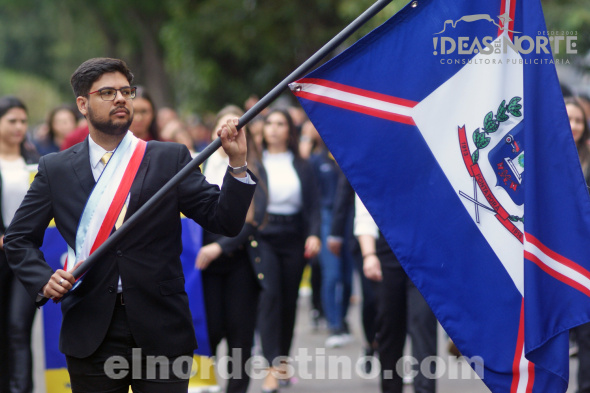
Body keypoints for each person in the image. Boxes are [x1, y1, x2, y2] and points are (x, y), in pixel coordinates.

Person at [4, 57, 256, 393]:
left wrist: (237, 164)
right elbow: (19, 238)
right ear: (83, 103)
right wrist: (43, 279)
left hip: (162, 324)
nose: (121, 99)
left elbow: (223, 220)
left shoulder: (170, 158)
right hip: (90, 327)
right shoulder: (55, 169)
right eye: (107, 92)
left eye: (126, 91)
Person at [196, 104, 267, 393]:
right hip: (203, 265)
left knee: (240, 333)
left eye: (236, 125)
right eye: (224, 124)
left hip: (237, 259)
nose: (229, 131)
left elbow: (252, 219)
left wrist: (219, 248)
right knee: (208, 329)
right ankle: (204, 383)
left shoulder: (254, 166)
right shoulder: (199, 164)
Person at [256, 108, 321, 392]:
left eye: (280, 124)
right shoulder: (255, 161)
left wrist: (314, 235)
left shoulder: (303, 164)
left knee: (288, 301)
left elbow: (314, 206)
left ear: (289, 130)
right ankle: (271, 366)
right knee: (269, 296)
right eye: (269, 123)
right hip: (264, 235)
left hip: (294, 235)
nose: (273, 129)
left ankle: (282, 362)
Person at [355, 196, 437, 393]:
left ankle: (425, 389)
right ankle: (391, 388)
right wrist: (369, 255)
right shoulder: (375, 166)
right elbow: (364, 214)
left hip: (424, 250)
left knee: (423, 323)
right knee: (389, 326)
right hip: (386, 250)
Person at [0, 96, 40, 393]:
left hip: (27, 255)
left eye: (23, 121)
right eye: (11, 120)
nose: (19, 127)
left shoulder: (36, 162)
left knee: (18, 328)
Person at [567, 97, 590, 393]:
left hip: (584, 257)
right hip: (550, 255)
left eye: (579, 121)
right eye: (568, 118)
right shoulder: (542, 154)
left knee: (586, 334)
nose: (573, 125)